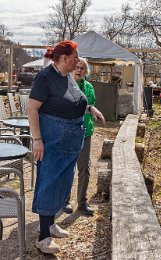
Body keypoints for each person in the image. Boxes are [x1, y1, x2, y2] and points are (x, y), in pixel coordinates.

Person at [28, 40, 105, 254]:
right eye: (75, 58)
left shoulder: (66, 77)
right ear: (63, 59)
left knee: (62, 182)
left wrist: (90, 108)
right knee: (50, 182)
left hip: (69, 140)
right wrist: (37, 139)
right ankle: (43, 238)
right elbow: (32, 109)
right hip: (52, 140)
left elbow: (73, 102)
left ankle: (50, 225)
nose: (78, 61)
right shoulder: (45, 78)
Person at [62, 58, 95, 215]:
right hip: (69, 132)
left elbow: (92, 105)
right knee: (68, 168)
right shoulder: (65, 85)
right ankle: (64, 200)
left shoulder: (89, 87)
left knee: (84, 168)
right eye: (76, 67)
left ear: (86, 71)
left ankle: (82, 202)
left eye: (82, 68)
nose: (79, 70)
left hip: (85, 132)